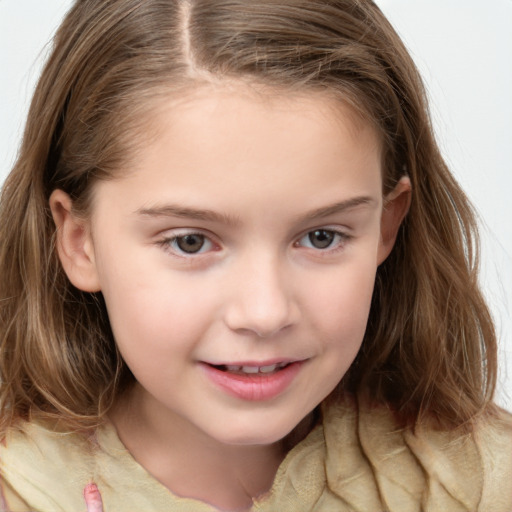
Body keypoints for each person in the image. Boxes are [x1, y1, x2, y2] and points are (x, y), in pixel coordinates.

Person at [0, 0, 510, 510]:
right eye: (190, 242)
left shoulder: (482, 482)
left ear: (386, 224)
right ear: (79, 241)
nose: (265, 313)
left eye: (321, 237)